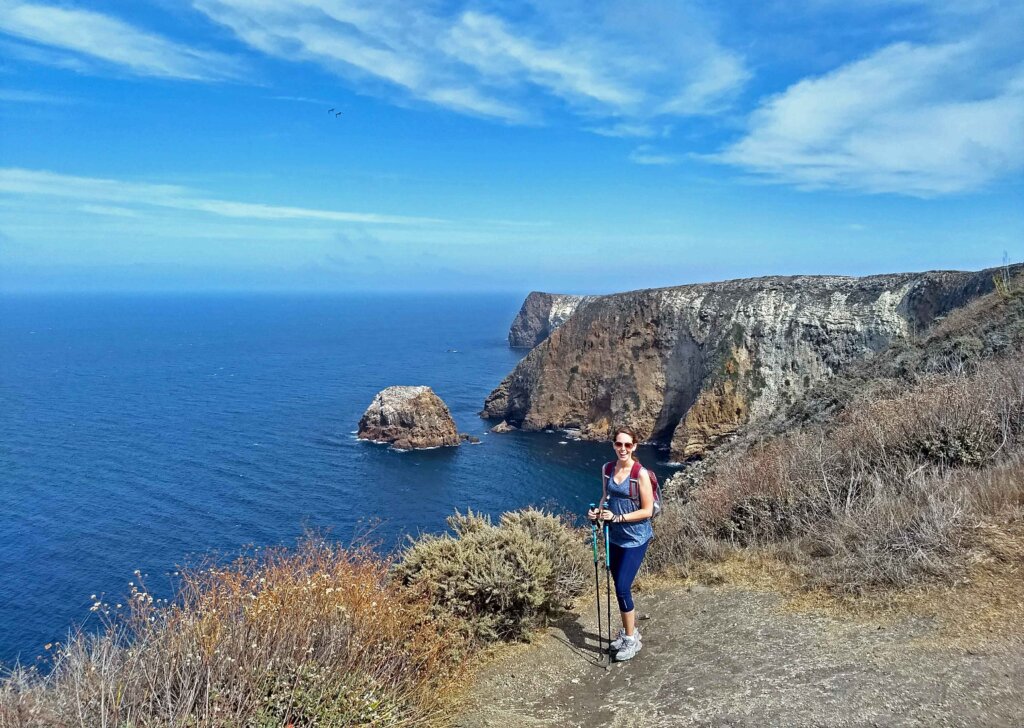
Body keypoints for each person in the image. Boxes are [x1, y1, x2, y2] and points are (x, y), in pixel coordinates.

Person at [587, 426, 654, 662]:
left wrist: (617, 518)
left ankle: (630, 639)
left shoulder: (640, 473)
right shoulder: (607, 469)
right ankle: (630, 631)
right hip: (614, 536)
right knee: (618, 585)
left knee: (623, 587)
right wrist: (598, 512)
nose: (623, 449)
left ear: (634, 446)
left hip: (636, 538)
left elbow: (646, 511)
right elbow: (607, 497)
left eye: (627, 445)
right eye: (618, 444)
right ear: (614, 445)